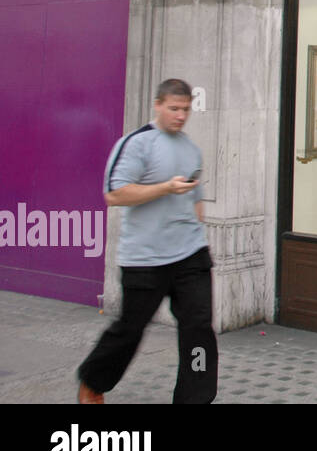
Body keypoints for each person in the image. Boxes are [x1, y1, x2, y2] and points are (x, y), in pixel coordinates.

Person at [76, 79, 218, 404]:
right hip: (145, 259)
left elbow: (196, 200)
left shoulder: (191, 148)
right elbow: (114, 194)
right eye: (174, 108)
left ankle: (194, 399)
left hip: (191, 256)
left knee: (198, 328)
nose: (181, 116)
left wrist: (199, 232)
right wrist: (165, 188)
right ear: (158, 105)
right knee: (130, 329)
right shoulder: (137, 143)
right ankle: (92, 382)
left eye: (185, 109)